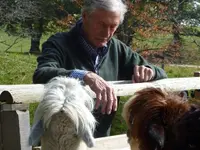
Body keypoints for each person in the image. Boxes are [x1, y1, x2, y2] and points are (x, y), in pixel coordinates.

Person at [33, 0, 167, 138]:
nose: (106, 33)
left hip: (101, 140)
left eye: (113, 26)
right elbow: (41, 73)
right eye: (101, 24)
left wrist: (149, 71)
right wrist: (84, 76)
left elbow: (161, 74)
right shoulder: (59, 43)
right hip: (61, 139)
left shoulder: (117, 48)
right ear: (85, 16)